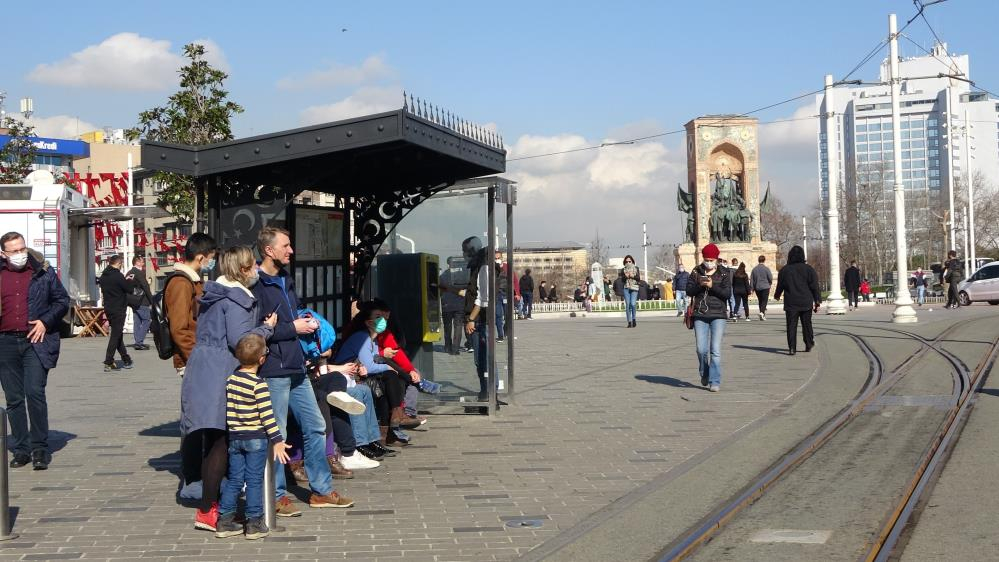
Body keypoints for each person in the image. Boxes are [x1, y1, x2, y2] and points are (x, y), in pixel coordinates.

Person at [252, 226, 352, 516]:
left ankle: (321, 491)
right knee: (278, 434)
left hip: (297, 366)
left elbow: (292, 315)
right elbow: (257, 331)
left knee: (316, 426)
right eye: (286, 245)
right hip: (274, 368)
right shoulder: (256, 284)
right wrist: (291, 328)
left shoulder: (285, 279)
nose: (291, 250)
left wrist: (306, 325)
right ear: (269, 250)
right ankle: (277, 495)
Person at [183, 245, 279, 531]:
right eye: (252, 265)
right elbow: (241, 342)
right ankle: (209, 511)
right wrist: (267, 329)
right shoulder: (236, 300)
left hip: (204, 369)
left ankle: (216, 508)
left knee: (216, 439)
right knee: (222, 442)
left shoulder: (215, 294)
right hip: (221, 371)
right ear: (242, 269)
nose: (256, 270)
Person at [214, 334, 295, 540]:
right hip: (256, 439)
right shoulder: (259, 384)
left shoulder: (231, 380)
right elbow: (268, 416)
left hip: (235, 437)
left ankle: (224, 520)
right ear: (262, 359)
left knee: (234, 479)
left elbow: (229, 409)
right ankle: (254, 522)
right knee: (254, 481)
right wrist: (277, 440)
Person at [0, 232, 69, 470]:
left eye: (22, 249)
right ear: (3, 253)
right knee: (14, 398)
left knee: (34, 392)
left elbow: (62, 300)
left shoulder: (42, 271)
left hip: (36, 341)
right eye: (13, 251)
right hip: (5, 342)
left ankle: (39, 447)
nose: (19, 254)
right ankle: (21, 448)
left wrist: (45, 321)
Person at [166, 232, 218, 377]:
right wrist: (197, 359)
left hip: (198, 354)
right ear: (201, 257)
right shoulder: (181, 283)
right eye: (211, 258)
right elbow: (179, 329)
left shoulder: (192, 281)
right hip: (191, 359)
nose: (213, 263)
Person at [685, 243, 730, 392]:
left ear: (717, 259)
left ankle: (715, 380)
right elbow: (689, 290)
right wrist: (701, 285)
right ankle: (704, 372)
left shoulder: (724, 273)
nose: (709, 262)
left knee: (715, 350)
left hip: (718, 314)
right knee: (701, 349)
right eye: (706, 259)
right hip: (700, 314)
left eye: (712, 259)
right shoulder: (696, 271)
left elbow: (727, 294)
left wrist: (713, 286)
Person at [774, 245, 821, 356]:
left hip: (791, 302)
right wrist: (817, 301)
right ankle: (809, 343)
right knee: (807, 324)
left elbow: (780, 285)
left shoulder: (785, 270)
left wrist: (777, 295)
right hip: (805, 301)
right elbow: (814, 286)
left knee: (791, 325)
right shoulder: (809, 269)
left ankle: (792, 348)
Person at [462, 237, 491, 401]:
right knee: (485, 357)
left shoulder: (483, 267)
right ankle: (487, 391)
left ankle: (486, 392)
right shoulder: (479, 265)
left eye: (465, 249)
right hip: (479, 319)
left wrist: (471, 319)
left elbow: (482, 298)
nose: (463, 253)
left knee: (482, 358)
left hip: (479, 320)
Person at [99, 254, 133, 371]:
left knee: (118, 334)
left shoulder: (103, 276)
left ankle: (126, 358)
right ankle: (108, 361)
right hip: (119, 309)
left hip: (108, 308)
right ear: (118, 264)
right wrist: (129, 281)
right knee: (115, 335)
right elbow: (129, 289)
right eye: (121, 264)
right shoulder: (118, 276)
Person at [125, 256, 153, 351]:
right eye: (142, 261)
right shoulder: (139, 273)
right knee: (147, 320)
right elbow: (145, 286)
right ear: (137, 262)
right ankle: (139, 342)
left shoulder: (129, 273)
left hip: (132, 301)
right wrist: (151, 300)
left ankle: (138, 342)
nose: (143, 263)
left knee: (137, 321)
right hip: (142, 300)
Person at [439, 258, 465, 355]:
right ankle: (455, 349)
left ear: (448, 264)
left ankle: (447, 346)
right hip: (459, 305)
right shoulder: (462, 276)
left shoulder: (442, 276)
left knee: (447, 327)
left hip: (446, 305)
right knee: (458, 326)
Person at [750, 255, 773, 321]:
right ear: (764, 260)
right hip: (765, 287)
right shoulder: (766, 269)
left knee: (760, 301)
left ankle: (762, 314)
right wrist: (770, 283)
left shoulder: (754, 269)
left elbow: (752, 279)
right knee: (764, 301)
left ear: (758, 260)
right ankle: (762, 312)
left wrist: (752, 288)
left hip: (757, 287)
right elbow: (770, 277)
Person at [621, 255, 640, 328]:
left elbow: (638, 278)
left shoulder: (636, 268)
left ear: (632, 261)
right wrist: (625, 276)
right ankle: (629, 321)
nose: (628, 262)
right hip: (626, 288)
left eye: (630, 261)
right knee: (628, 305)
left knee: (633, 304)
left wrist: (633, 276)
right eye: (626, 261)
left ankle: (634, 318)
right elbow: (622, 280)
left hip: (634, 287)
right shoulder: (623, 269)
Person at [494, 251, 509, 341]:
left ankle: (506, 331)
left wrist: (517, 294)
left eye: (498, 258)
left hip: (505, 294)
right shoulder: (491, 268)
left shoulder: (507, 267)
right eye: (495, 258)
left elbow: (513, 279)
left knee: (507, 315)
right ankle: (500, 335)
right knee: (498, 315)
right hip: (496, 294)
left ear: (502, 258)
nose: (497, 260)